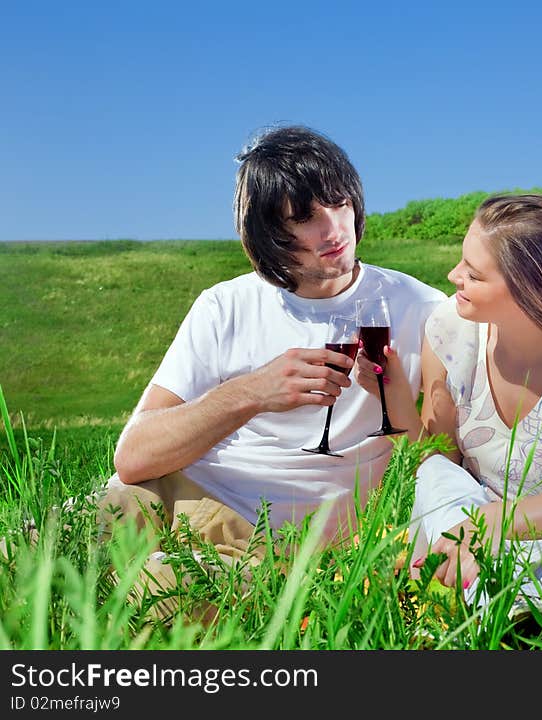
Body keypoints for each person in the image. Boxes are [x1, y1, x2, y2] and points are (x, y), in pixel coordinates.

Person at [100, 125, 445, 615]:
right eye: (305, 218)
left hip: (280, 546)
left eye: (340, 203)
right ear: (268, 235)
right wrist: (251, 393)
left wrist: (390, 389)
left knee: (156, 596)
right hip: (186, 497)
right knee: (49, 544)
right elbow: (134, 458)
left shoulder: (422, 310)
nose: (333, 229)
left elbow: (443, 462)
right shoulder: (225, 305)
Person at [354, 193, 542, 629]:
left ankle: (498, 608)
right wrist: (393, 395)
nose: (453, 276)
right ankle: (488, 596)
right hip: (472, 523)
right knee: (435, 477)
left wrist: (487, 525)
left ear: (529, 293)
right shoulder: (451, 332)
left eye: (472, 274)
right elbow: (436, 461)